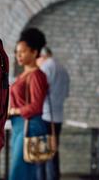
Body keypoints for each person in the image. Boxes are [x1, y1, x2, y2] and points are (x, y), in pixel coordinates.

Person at [9, 28, 49, 180]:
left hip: (30, 125)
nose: (18, 55)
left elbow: (36, 106)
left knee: (19, 173)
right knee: (23, 172)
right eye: (17, 51)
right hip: (20, 125)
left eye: (23, 51)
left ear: (34, 52)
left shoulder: (37, 76)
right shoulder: (24, 74)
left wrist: (14, 111)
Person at [36, 47, 70, 180]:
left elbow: (39, 95)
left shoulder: (45, 68)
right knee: (53, 155)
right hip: (58, 117)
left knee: (41, 158)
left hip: (45, 116)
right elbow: (66, 94)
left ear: (42, 56)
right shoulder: (63, 69)